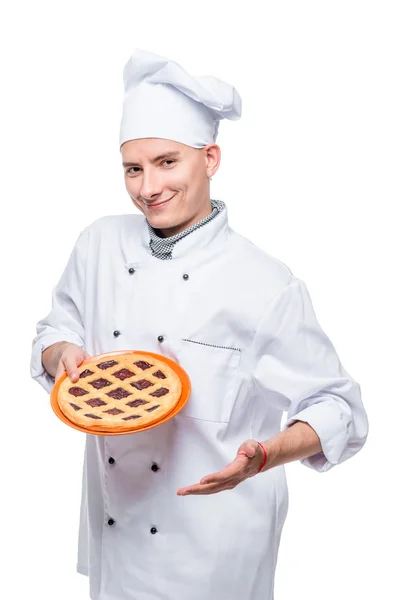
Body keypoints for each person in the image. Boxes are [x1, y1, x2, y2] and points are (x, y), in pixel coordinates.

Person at [30, 49, 369, 600]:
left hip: (215, 544)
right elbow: (52, 330)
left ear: (210, 158)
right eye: (133, 169)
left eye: (168, 162)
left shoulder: (264, 281)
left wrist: (264, 456)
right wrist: (60, 352)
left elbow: (339, 409)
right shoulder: (97, 245)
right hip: (118, 532)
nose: (147, 188)